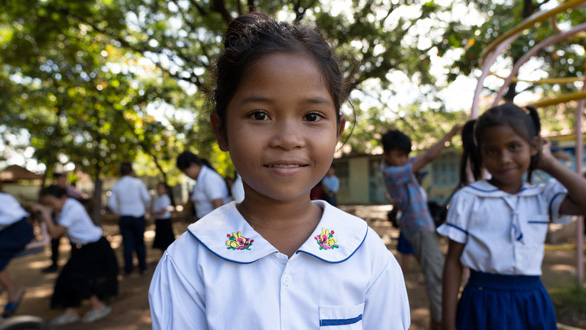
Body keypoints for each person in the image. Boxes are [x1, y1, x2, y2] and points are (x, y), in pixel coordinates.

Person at [149, 12, 410, 329]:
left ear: (338, 130)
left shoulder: (367, 255)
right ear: (221, 130)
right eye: (259, 115)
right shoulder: (189, 262)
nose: (288, 139)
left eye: (312, 116)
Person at [438, 104, 586, 330]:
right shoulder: (468, 198)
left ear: (534, 146)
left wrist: (548, 163)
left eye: (514, 147)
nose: (504, 159)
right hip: (482, 301)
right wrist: (448, 325)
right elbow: (452, 262)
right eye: (492, 151)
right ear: (481, 154)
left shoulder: (543, 195)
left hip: (531, 302)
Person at [380, 124, 462, 329]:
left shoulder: (399, 166)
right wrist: (450, 133)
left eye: (406, 156)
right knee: (437, 276)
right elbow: (427, 158)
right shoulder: (392, 172)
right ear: (387, 154)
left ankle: (438, 321)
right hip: (418, 227)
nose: (404, 160)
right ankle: (442, 321)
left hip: (418, 226)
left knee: (434, 272)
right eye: (399, 155)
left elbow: (425, 155)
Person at [32, 185, 118, 325]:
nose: (49, 207)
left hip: (95, 247)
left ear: (63, 198)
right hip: (82, 248)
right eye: (46, 204)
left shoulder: (72, 209)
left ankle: (99, 307)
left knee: (77, 278)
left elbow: (55, 234)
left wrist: (46, 214)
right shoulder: (62, 208)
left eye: (51, 203)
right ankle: (70, 311)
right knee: (65, 278)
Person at [42, 171, 91, 274]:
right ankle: (56, 263)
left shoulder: (71, 202)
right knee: (56, 243)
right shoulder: (54, 192)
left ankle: (74, 261)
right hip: (60, 221)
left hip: (68, 222)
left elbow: (81, 196)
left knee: (73, 244)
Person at [107, 162, 151, 275]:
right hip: (138, 216)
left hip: (125, 217)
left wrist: (120, 211)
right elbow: (146, 198)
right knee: (140, 243)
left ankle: (128, 269)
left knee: (127, 244)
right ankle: (143, 267)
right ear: (131, 171)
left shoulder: (117, 184)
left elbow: (111, 203)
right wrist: (145, 208)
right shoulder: (137, 183)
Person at [0, 193, 34, 318]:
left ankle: (13, 290)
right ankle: (12, 290)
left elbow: (13, 216)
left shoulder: (2, 199)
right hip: (13, 230)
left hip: (18, 231)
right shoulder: (5, 197)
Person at [176, 151, 230, 219]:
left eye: (186, 172)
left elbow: (218, 204)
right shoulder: (201, 179)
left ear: (193, 165)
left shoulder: (209, 178)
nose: (187, 175)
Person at [151, 182, 175, 252]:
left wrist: (153, 212)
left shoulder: (165, 198)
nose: (159, 189)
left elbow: (163, 211)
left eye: (161, 188)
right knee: (161, 243)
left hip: (165, 221)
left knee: (166, 241)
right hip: (159, 221)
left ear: (165, 190)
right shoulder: (157, 198)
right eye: (158, 187)